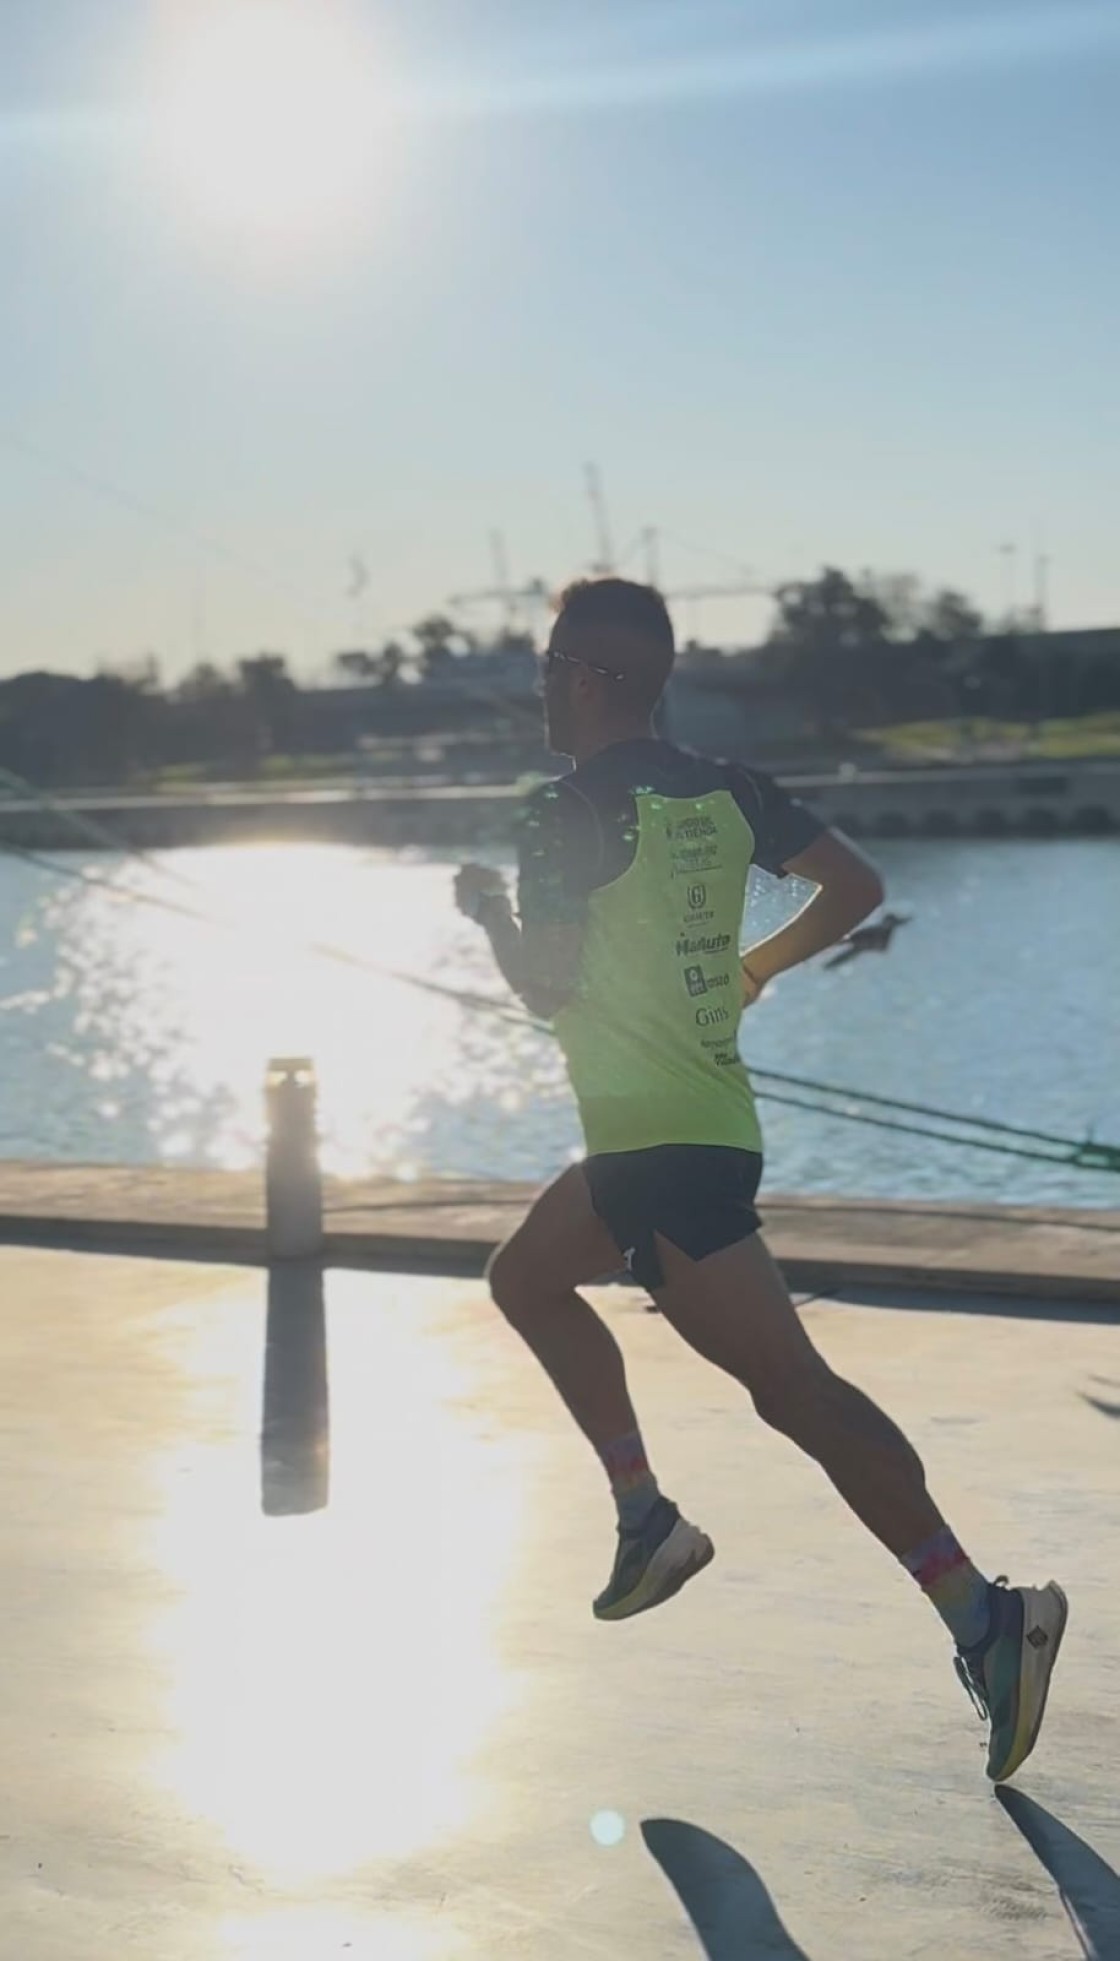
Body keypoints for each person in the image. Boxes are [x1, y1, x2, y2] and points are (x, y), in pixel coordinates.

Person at [454, 576, 1066, 1784]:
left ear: (582, 674)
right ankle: (647, 1521)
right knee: (523, 1278)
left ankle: (983, 1618)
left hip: (654, 1155)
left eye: (544, 664)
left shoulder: (556, 812)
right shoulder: (728, 788)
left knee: (795, 1390)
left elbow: (545, 987)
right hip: (692, 1129)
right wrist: (755, 969)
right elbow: (856, 888)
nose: (535, 682)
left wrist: (483, 916)